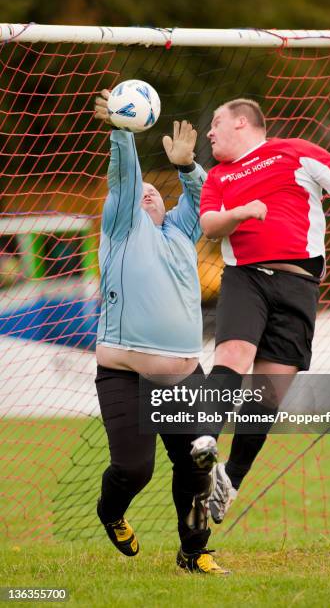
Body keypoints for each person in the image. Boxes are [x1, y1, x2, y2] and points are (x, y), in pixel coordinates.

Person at [198, 98, 330, 523]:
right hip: (245, 277)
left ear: (242, 122)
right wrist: (243, 211)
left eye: (216, 123)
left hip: (300, 285)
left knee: (269, 393)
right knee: (232, 356)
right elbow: (211, 226)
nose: (209, 133)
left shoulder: (294, 151)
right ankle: (205, 440)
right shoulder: (218, 176)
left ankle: (230, 480)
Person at [93, 89, 227, 574]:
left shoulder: (180, 230)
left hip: (184, 378)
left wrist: (188, 166)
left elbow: (202, 197)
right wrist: (123, 132)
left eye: (158, 190)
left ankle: (194, 553)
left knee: (198, 462)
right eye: (141, 192)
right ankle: (111, 512)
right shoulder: (123, 227)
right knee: (134, 469)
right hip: (125, 377)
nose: (149, 191)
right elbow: (124, 179)